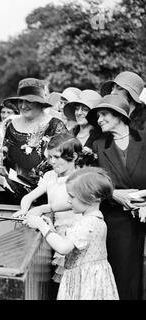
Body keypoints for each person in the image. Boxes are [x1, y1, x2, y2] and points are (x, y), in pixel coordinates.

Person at [24, 167, 119, 300]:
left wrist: (41, 226)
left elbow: (63, 248)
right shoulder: (94, 219)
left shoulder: (88, 223)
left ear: (91, 198)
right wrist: (49, 227)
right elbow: (72, 242)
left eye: (72, 197)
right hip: (89, 279)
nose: (68, 201)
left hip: (85, 283)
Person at [86, 94, 146, 300]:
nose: (99, 120)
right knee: (122, 274)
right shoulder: (99, 146)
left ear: (120, 116)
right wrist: (113, 194)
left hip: (145, 216)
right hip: (117, 222)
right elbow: (92, 183)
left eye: (103, 114)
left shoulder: (144, 139)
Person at [13, 133, 83, 283]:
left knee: (74, 277)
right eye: (50, 157)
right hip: (55, 231)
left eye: (57, 157)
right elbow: (29, 197)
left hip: (75, 233)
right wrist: (24, 210)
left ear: (74, 156)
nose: (52, 162)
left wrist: (44, 208)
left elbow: (71, 203)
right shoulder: (50, 176)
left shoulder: (80, 177)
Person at [1, 78, 68, 204]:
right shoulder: (10, 125)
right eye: (20, 101)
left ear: (40, 103)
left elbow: (67, 162)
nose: (23, 106)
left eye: (29, 101)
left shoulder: (55, 126)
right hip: (10, 196)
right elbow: (4, 158)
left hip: (45, 199)